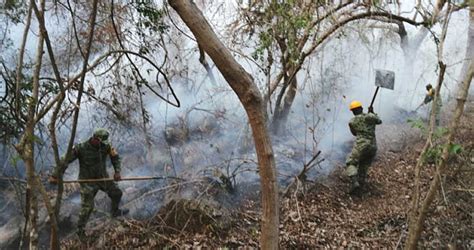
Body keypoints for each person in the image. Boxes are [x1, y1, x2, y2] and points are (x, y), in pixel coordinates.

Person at [49, 128, 128, 240]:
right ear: (95, 138)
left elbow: (115, 157)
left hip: (102, 178)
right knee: (87, 208)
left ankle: (114, 211)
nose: (102, 145)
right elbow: (65, 159)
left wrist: (117, 171)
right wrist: (55, 175)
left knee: (117, 193)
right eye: (100, 142)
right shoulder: (81, 148)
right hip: (87, 181)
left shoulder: (106, 146)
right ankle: (80, 232)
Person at [345, 101, 382, 194]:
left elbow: (354, 133)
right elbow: (379, 121)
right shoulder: (369, 117)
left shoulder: (352, 122)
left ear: (353, 111)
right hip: (373, 146)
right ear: (361, 108)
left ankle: (354, 182)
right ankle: (360, 190)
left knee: (350, 163)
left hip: (361, 145)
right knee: (363, 166)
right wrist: (372, 112)